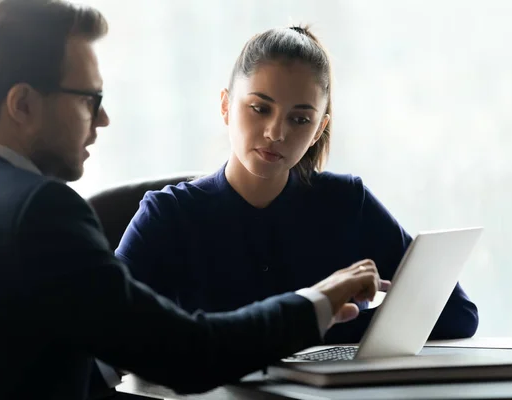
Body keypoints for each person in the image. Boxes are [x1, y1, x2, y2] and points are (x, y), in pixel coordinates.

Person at [0, 1, 389, 399]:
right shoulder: (40, 211)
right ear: (23, 105)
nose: (103, 118)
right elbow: (186, 354)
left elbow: (106, 353)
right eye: (91, 98)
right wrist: (317, 303)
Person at [116, 25, 479, 345]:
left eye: (300, 119)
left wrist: (344, 325)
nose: (276, 133)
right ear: (226, 106)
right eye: (260, 108)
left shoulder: (348, 203)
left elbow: (458, 315)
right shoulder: (167, 216)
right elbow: (108, 330)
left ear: (319, 128)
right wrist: (316, 314)